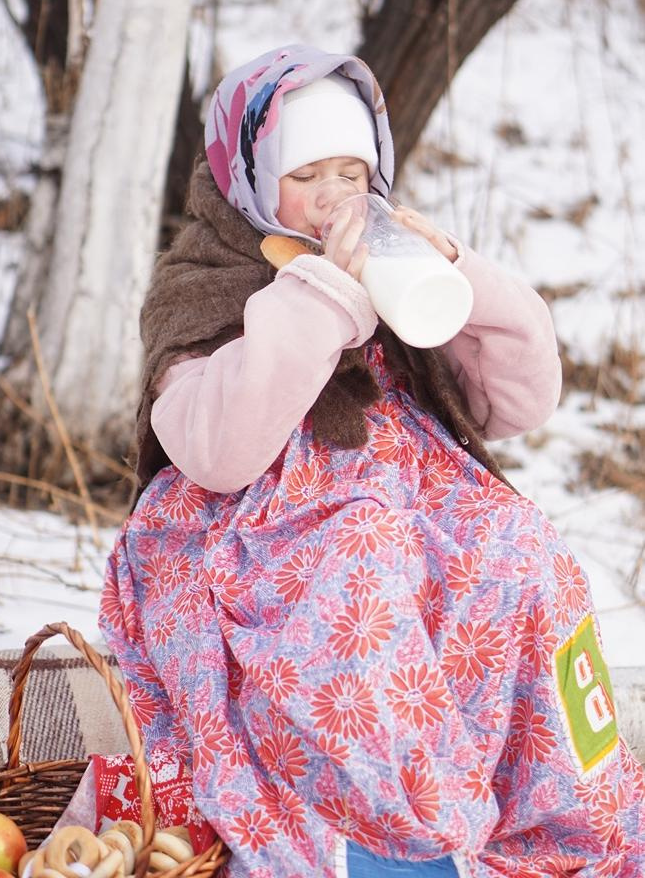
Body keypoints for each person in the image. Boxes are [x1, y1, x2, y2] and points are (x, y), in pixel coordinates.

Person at [100, 45, 644, 878]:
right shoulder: (204, 282)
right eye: (306, 174)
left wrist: (460, 281)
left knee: (521, 555)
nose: (332, 196)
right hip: (253, 521)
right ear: (246, 179)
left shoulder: (396, 263)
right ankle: (387, 842)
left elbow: (519, 404)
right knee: (359, 578)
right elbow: (218, 449)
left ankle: (549, 824)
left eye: (352, 173)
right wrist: (320, 298)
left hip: (409, 489)